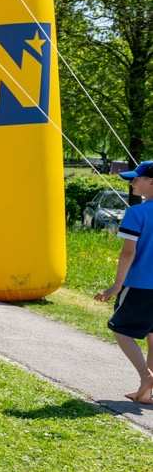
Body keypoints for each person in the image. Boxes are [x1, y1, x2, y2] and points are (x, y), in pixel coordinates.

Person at [95, 161, 153, 405]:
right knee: (152, 334)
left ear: (151, 182)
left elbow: (128, 252)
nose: (132, 183)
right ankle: (146, 393)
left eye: (136, 179)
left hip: (140, 284)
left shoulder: (137, 213)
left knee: (119, 329)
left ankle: (146, 376)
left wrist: (116, 285)